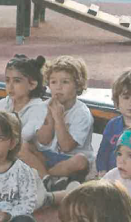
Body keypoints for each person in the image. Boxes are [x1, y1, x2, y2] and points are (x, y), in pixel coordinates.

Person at [19, 55, 94, 191]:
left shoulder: (82, 113)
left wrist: (59, 118)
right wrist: (50, 115)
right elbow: (44, 140)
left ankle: (46, 177)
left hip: (68, 159)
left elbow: (66, 147)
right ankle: (48, 180)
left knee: (81, 160)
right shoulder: (43, 107)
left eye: (65, 82)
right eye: (53, 82)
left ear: (78, 85)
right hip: (47, 156)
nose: (58, 87)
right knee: (22, 146)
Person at [0, 54, 47, 144]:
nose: (10, 86)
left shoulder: (39, 108)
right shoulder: (5, 103)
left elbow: (25, 136)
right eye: (7, 80)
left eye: (17, 81)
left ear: (32, 85)